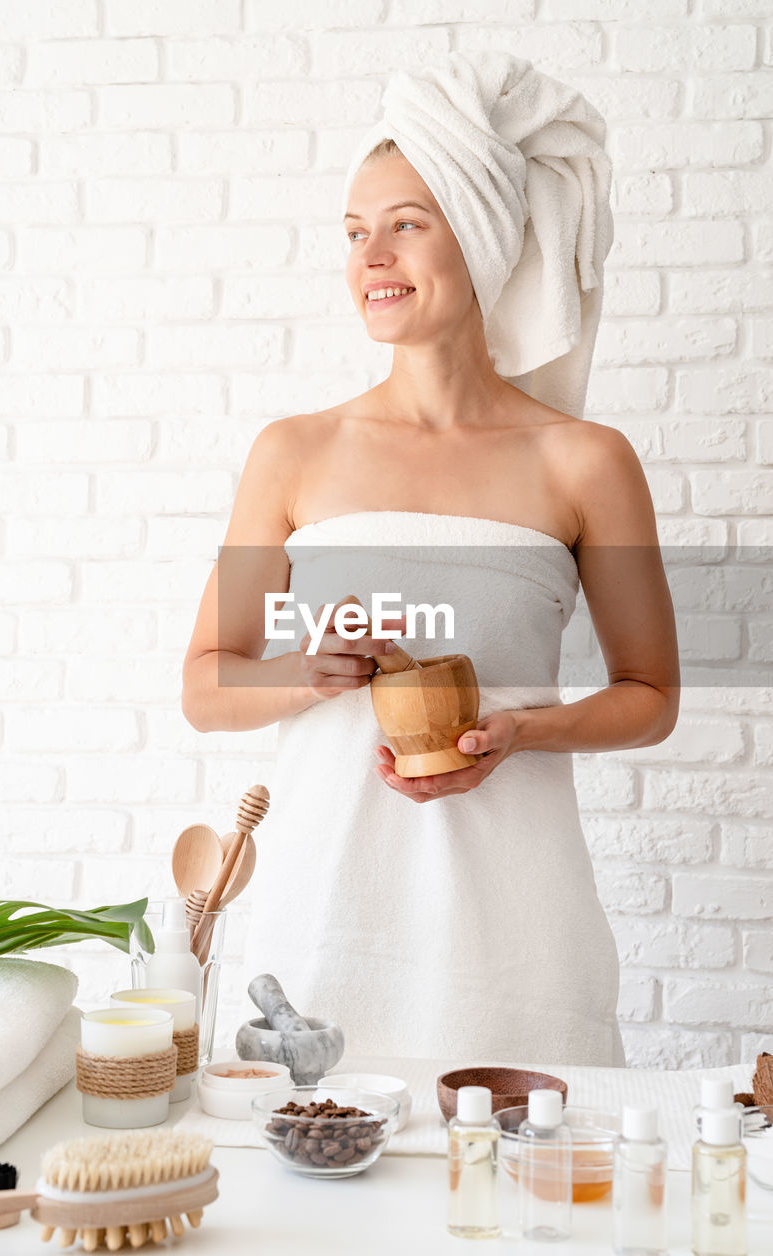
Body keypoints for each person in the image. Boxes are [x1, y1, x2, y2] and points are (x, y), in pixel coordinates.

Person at [182, 103, 680, 1067]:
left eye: (407, 223)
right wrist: (309, 672)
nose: (373, 255)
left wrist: (522, 732)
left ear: (487, 238)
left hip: (519, 927)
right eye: (355, 232)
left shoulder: (586, 463)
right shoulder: (293, 454)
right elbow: (205, 684)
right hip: (325, 919)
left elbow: (650, 698)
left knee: (526, 1193)